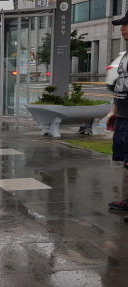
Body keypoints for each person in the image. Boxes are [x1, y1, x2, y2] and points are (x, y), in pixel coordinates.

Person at [108, 12, 128, 212]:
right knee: (126, 161)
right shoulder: (125, 55)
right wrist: (115, 109)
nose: (121, 28)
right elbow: (121, 86)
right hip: (123, 116)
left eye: (125, 24)